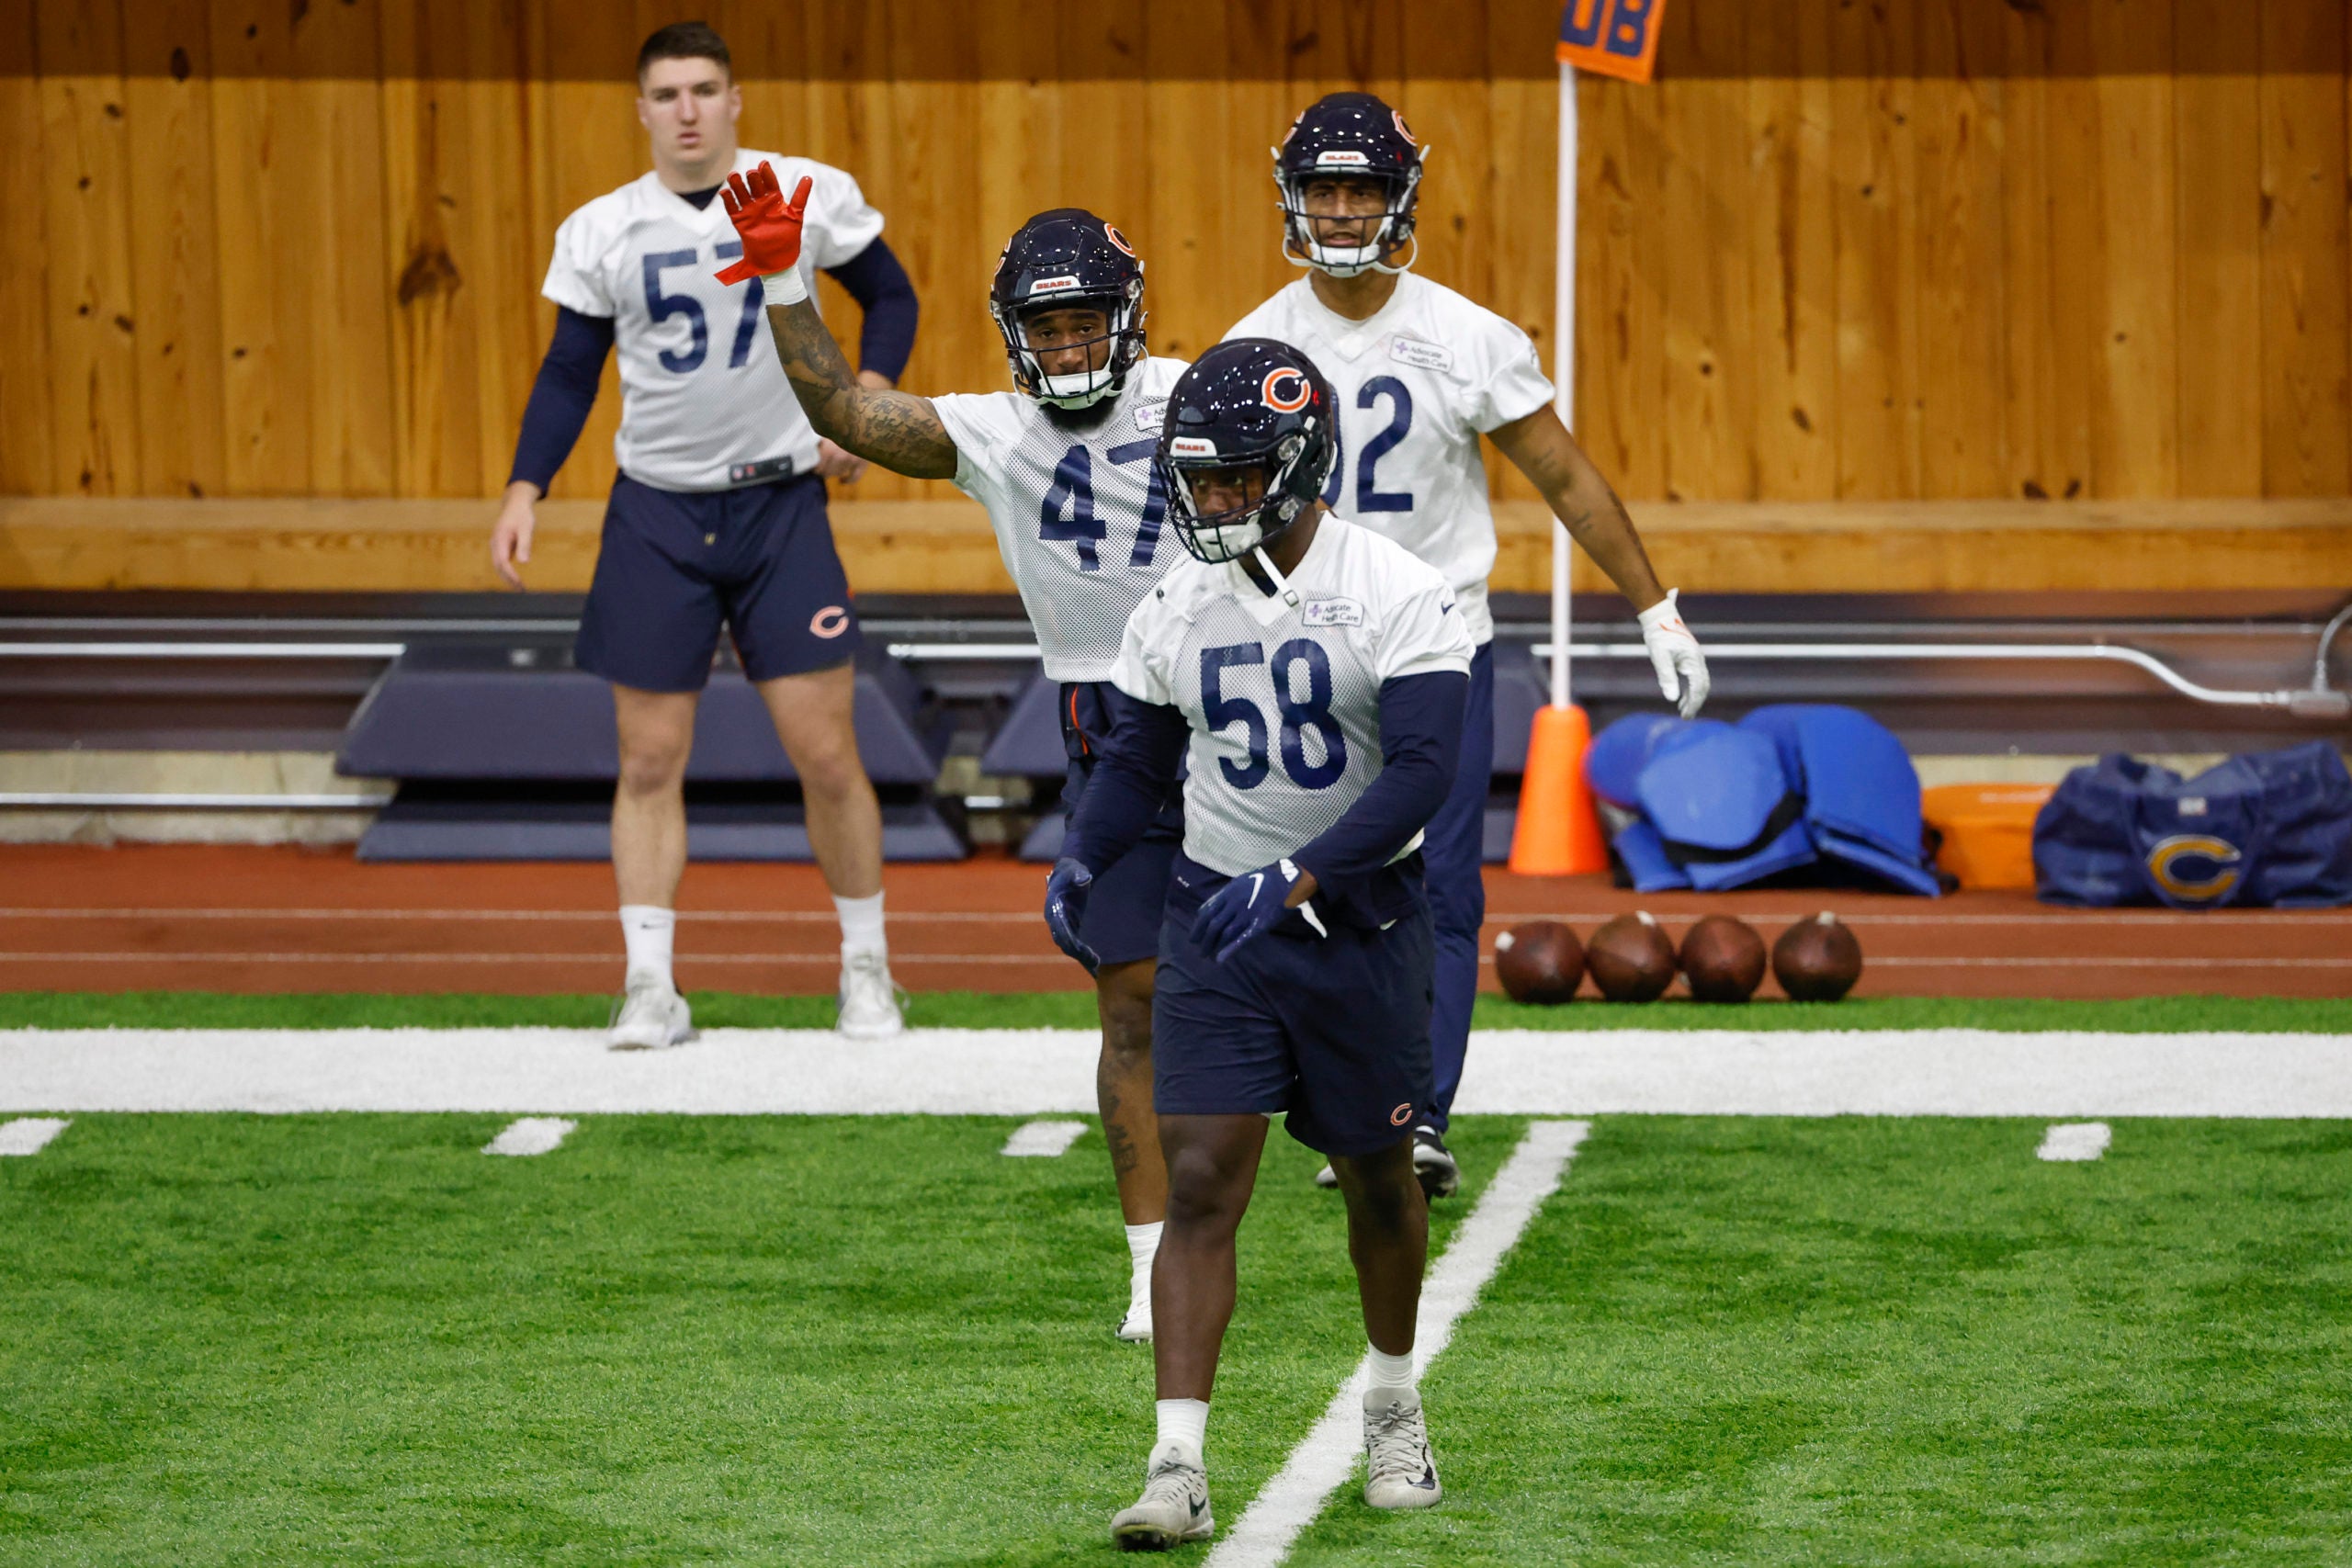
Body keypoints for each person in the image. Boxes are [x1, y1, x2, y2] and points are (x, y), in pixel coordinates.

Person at [717, 165, 1185, 1339]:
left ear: (1130, 318)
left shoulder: (1197, 395)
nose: (1070, 348)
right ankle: (1152, 1263)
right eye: (1047, 328)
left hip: (1238, 709)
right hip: (1107, 724)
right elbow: (842, 410)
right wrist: (784, 274)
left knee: (1300, 985)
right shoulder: (995, 428)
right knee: (1130, 1004)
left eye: (1087, 323)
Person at [1227, 92, 1710, 1196]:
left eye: (1359, 189)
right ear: (1291, 197)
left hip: (1432, 640)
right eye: (1323, 189)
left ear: (1399, 199)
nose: (1340, 211)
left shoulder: (1466, 334)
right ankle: (1327, 1095)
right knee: (1302, 881)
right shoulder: (1255, 343)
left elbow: (1565, 479)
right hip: (1299, 643)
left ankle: (1417, 1118)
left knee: (1439, 888)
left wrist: (1653, 604)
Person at [1043, 339, 1473, 1549]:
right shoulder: (1178, 594)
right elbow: (1136, 754)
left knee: (1381, 1179)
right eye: (1202, 477)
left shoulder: (1392, 583)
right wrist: (1084, 852)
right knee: (1198, 1177)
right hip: (1220, 917)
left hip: (1361, 925)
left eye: (1237, 478)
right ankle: (1176, 1458)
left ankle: (1393, 1401)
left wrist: (1306, 870)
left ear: (1299, 466)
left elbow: (1433, 768)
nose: (1215, 500)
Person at [489, 23, 920, 1047]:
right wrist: (524, 486)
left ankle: (867, 968)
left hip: (777, 503)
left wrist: (865, 400)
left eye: (704, 89)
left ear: (736, 99)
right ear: (641, 110)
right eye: (667, 93)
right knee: (648, 756)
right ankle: (650, 984)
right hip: (658, 507)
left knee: (825, 750)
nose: (687, 109)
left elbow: (889, 295)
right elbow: (567, 371)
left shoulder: (802, 188)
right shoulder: (602, 227)